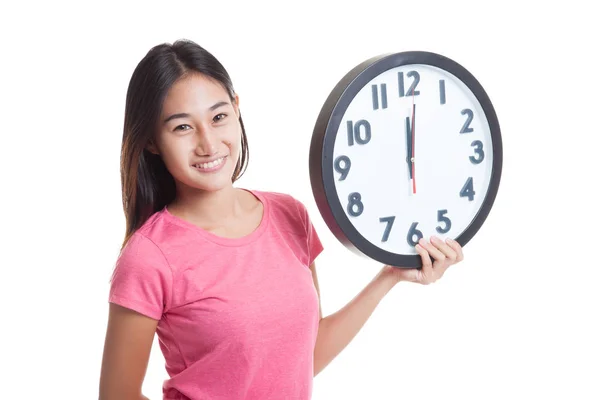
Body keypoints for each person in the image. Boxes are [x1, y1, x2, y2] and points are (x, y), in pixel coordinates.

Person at [98, 39, 464, 400]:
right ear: (151, 141)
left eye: (219, 117)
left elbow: (306, 355)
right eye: (182, 127)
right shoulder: (149, 256)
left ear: (237, 110)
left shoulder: (289, 215)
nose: (208, 144)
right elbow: (116, 395)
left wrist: (391, 277)